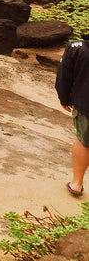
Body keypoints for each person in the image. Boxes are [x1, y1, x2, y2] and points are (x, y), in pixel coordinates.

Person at [58, 37, 89, 196]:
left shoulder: (76, 48)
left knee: (84, 142)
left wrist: (64, 98)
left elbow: (64, 76)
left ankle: (76, 183)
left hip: (86, 106)